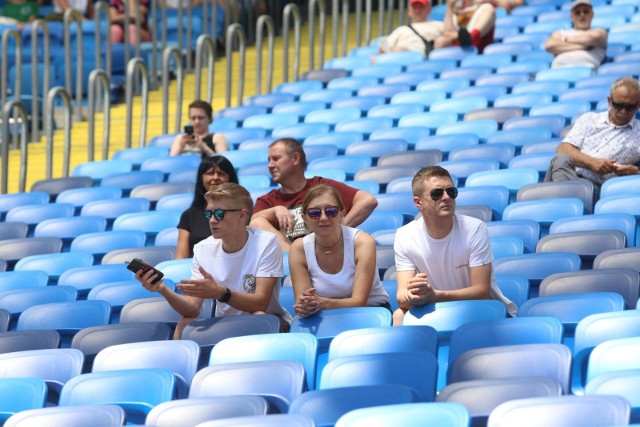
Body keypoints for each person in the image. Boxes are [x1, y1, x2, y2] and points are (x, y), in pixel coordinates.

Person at [135, 182, 292, 339]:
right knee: (184, 323)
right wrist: (162, 289)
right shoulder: (203, 249)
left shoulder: (266, 243)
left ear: (242, 215)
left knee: (258, 316)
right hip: (225, 324)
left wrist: (220, 292)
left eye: (219, 214)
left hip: (267, 320)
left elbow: (260, 303)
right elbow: (192, 309)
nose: (212, 220)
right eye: (208, 214)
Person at [392, 166, 517, 326]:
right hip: (436, 308)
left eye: (451, 192)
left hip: (475, 308)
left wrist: (435, 296)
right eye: (437, 193)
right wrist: (413, 296)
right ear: (418, 202)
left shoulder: (475, 229)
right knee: (399, 315)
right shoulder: (405, 235)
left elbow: (481, 292)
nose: (446, 197)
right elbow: (401, 296)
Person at [249, 138, 379, 252]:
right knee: (258, 222)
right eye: (269, 160)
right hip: (289, 263)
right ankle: (294, 258)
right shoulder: (268, 200)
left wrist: (336, 230)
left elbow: (367, 200)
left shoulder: (321, 186)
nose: (270, 165)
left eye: (276, 159)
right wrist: (275, 210)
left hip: (328, 253)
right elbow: (251, 223)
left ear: (295, 158)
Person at [288, 185, 391, 318]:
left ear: (342, 213)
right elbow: (302, 300)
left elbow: (359, 301)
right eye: (314, 213)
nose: (323, 218)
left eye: (331, 211)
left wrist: (323, 303)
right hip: (323, 315)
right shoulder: (299, 248)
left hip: (371, 312)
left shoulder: (363, 242)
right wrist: (305, 306)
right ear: (304, 218)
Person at [544, 77, 640, 195]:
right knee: (560, 159)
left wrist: (636, 171)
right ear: (609, 101)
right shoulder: (589, 119)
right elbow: (563, 149)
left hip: (596, 188)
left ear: (638, 106)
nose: (624, 111)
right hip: (570, 174)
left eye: (630, 107)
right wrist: (592, 163)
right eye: (619, 105)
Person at [176, 155, 238, 259]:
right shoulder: (189, 215)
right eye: (210, 173)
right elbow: (181, 257)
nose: (215, 177)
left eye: (221, 173)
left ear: (230, 178)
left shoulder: (240, 212)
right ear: (201, 178)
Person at [544, 0, 607, 70]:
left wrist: (565, 39)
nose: (582, 15)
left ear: (592, 14)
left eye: (586, 11)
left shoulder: (599, 31)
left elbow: (592, 39)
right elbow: (549, 46)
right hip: (558, 70)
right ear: (571, 16)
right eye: (577, 12)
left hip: (588, 70)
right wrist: (583, 46)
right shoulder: (560, 33)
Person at [377, 0, 444, 58]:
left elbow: (451, 36)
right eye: (415, 7)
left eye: (421, 7)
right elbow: (384, 48)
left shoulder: (438, 25)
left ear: (429, 10)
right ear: (409, 11)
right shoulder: (401, 29)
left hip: (426, 57)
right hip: (401, 59)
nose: (418, 10)